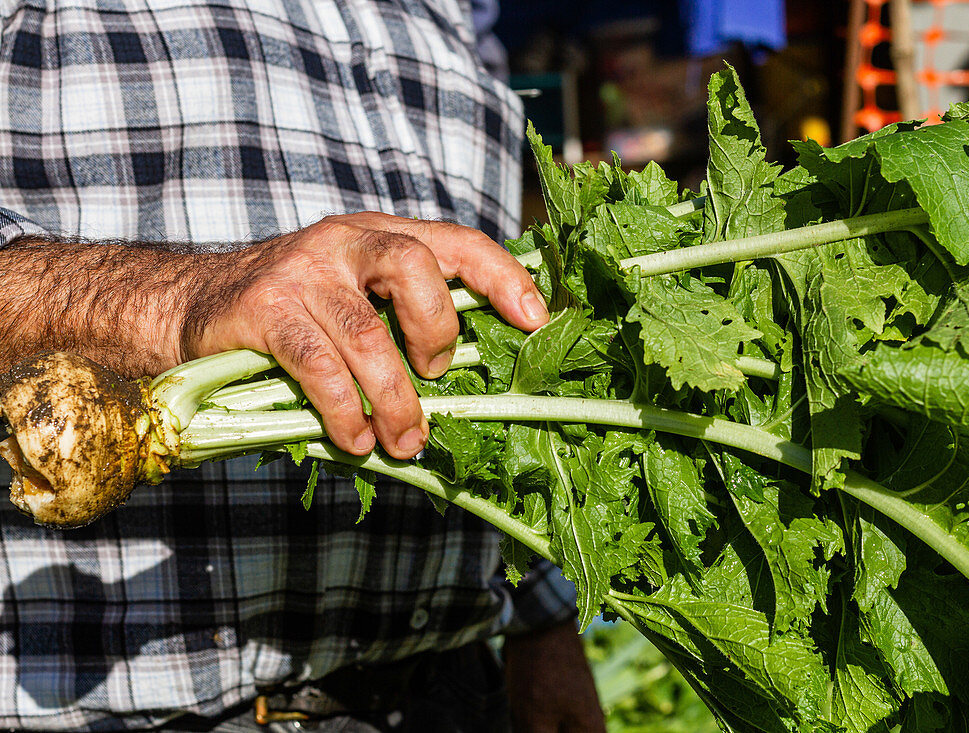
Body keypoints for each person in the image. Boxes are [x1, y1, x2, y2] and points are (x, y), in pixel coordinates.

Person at [0, 0, 606, 730]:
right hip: (123, 704)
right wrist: (179, 303)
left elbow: (490, 359)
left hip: (451, 690)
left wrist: (542, 622)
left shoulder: (465, 13)